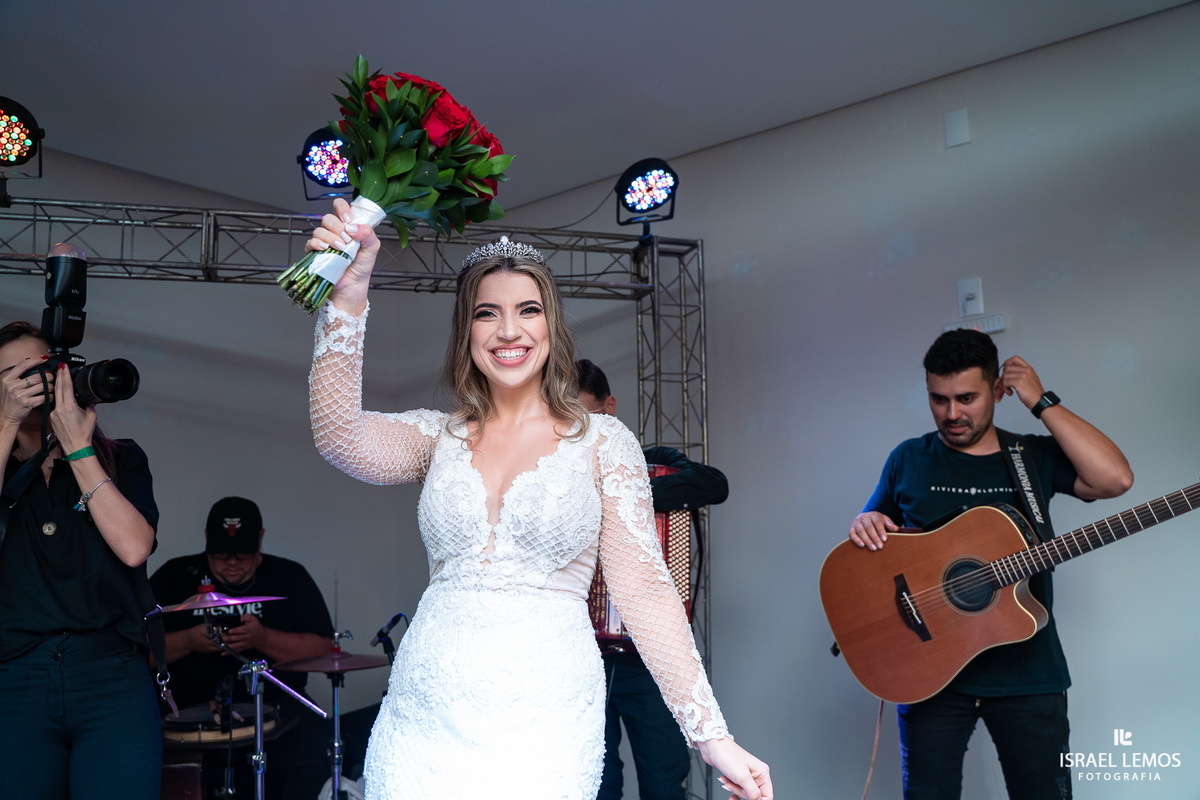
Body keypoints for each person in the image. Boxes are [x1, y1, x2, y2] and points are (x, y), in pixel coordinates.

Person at [305, 197, 772, 800]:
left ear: (551, 324)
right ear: (465, 329)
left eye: (527, 310)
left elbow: (646, 593)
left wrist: (712, 737)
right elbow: (339, 435)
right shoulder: (438, 436)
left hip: (546, 713)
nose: (508, 331)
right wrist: (348, 296)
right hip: (427, 710)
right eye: (486, 313)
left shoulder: (601, 442)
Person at [848, 328, 1133, 800]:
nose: (952, 414)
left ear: (998, 390)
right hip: (930, 676)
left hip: (1029, 674)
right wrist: (867, 521)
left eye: (966, 398)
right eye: (938, 399)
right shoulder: (908, 459)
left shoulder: (1031, 457)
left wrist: (1042, 401)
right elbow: (870, 548)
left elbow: (1116, 479)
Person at [0, 320, 162, 800]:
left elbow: (134, 548)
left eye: (39, 369)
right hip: (15, 677)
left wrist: (77, 447)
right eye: (13, 374)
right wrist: (7, 421)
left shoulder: (121, 459)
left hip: (111, 676)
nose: (30, 383)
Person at [575, 358, 729, 800]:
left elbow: (713, 484)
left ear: (610, 409)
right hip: (584, 658)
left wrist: (627, 494)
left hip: (650, 659)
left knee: (664, 783)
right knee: (597, 785)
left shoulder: (651, 462)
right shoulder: (560, 482)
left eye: (592, 418)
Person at [150, 495, 335, 800]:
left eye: (244, 554)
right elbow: (136, 653)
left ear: (261, 538)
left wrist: (262, 639)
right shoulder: (174, 575)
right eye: (222, 555)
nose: (233, 562)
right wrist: (188, 641)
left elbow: (324, 649)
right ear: (207, 539)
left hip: (274, 708)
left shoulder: (289, 577)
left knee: (316, 748)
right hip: (186, 711)